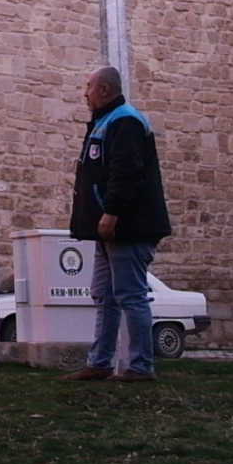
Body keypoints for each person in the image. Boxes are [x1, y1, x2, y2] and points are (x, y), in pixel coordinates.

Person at [61, 66, 172, 382]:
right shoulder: (106, 122)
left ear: (105, 90)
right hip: (109, 229)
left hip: (127, 228)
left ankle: (140, 366)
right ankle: (99, 362)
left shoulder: (125, 121)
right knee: (105, 295)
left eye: (88, 86)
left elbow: (126, 173)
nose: (85, 93)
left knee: (130, 295)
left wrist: (111, 213)